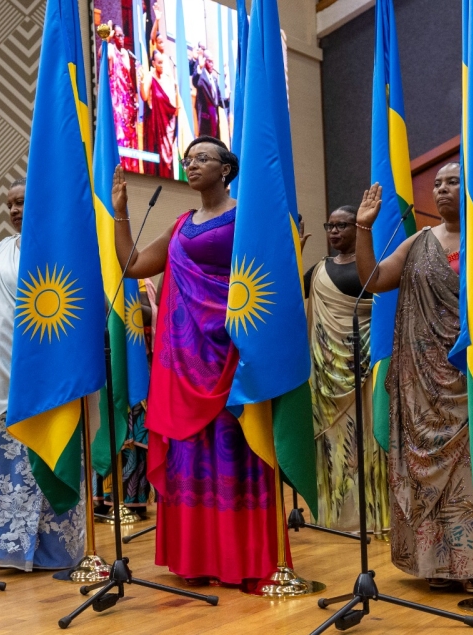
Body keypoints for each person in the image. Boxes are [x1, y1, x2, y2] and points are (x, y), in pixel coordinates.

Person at [112, 137, 290, 587]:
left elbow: (267, 274)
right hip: (183, 362)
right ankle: (197, 559)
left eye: (202, 158)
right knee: (190, 457)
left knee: (233, 454)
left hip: (229, 355)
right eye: (187, 159)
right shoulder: (180, 224)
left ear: (226, 169)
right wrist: (120, 212)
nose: (191, 164)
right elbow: (132, 264)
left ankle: (240, 558)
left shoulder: (245, 216)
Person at [355, 164, 473, 592]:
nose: (441, 189)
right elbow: (374, 280)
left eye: (452, 181)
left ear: (470, 187)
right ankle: (436, 563)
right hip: (424, 384)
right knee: (431, 474)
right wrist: (364, 229)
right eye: (436, 183)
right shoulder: (418, 241)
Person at [0, 179, 84, 571]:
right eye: (10, 204)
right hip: (0, 372)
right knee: (9, 459)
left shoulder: (63, 247)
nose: (14, 210)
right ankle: (7, 549)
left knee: (46, 452)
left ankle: (53, 551)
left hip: (47, 377)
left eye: (22, 202)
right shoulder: (2, 249)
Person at [307, 205, 390, 538]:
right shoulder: (318, 269)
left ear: (359, 228)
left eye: (343, 225)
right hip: (326, 373)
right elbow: (288, 297)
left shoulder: (374, 268)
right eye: (330, 225)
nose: (334, 231)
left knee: (368, 440)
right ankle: (334, 518)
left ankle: (373, 519)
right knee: (332, 445)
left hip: (367, 366)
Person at [140, 49, 177, 179]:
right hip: (154, 126)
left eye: (163, 63)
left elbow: (169, 103)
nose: (162, 65)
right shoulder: (150, 77)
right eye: (159, 63)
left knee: (167, 157)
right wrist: (142, 81)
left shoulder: (166, 79)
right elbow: (144, 97)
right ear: (154, 63)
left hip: (165, 125)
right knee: (157, 156)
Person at [107, 24, 140, 172]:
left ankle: (130, 166)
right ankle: (119, 165)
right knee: (119, 133)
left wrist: (135, 100)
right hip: (116, 100)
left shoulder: (127, 54)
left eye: (122, 35)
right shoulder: (111, 49)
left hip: (128, 102)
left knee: (129, 135)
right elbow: (102, 53)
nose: (121, 38)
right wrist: (107, 37)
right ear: (114, 36)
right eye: (118, 35)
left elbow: (130, 79)